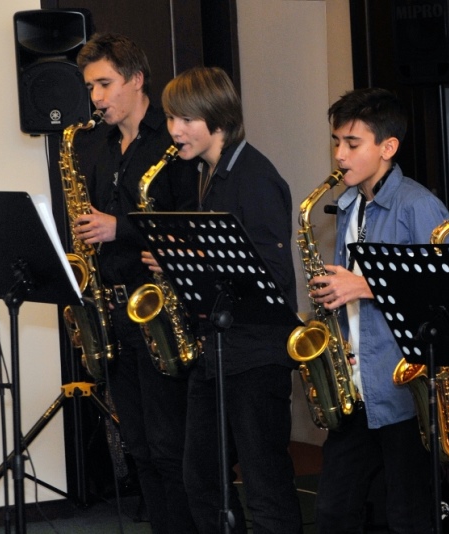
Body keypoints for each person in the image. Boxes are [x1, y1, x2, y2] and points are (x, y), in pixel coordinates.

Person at [160, 66, 302, 533]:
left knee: (266, 488)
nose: (174, 130)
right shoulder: (209, 172)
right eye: (170, 118)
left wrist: (191, 260)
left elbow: (274, 277)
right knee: (200, 479)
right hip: (218, 351)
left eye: (185, 119)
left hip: (257, 355)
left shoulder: (255, 178)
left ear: (217, 120)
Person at [308, 87, 449, 533]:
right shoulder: (350, 204)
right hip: (356, 385)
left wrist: (365, 286)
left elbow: (446, 296)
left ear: (388, 148)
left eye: (352, 144)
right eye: (336, 142)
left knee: (407, 515)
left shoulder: (419, 205)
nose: (340, 154)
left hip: (403, 389)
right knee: (334, 509)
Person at [74, 32, 198, 533]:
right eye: (90, 87)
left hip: (163, 310)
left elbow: (191, 222)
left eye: (105, 84)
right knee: (140, 446)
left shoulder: (172, 142)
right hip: (114, 310)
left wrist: (118, 227)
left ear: (137, 80)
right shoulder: (97, 147)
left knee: (170, 447)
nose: (96, 97)